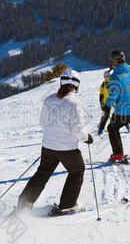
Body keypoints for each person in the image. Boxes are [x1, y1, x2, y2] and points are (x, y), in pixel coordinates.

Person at [17, 69, 93, 215]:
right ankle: (67, 205)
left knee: (43, 173)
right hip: (67, 148)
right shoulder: (74, 103)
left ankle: (24, 204)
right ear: (76, 85)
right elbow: (77, 129)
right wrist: (87, 138)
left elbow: (43, 123)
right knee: (77, 170)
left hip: (48, 146)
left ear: (62, 82)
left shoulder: (49, 100)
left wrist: (53, 135)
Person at [98, 70, 130, 135]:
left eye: (107, 76)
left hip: (114, 101)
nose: (106, 77)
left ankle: (127, 126)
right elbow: (101, 95)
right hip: (107, 103)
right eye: (105, 76)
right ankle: (100, 130)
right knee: (106, 116)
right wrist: (101, 103)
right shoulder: (103, 84)